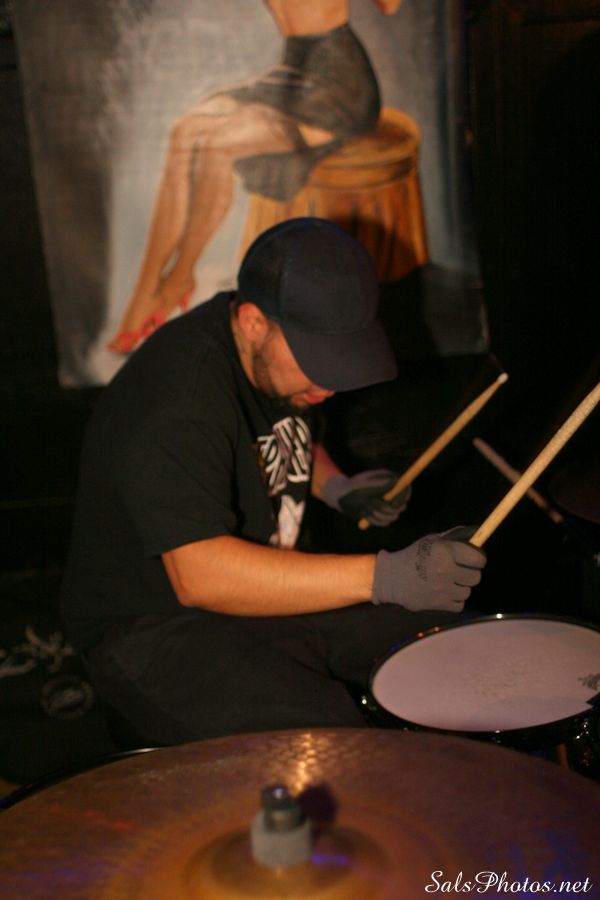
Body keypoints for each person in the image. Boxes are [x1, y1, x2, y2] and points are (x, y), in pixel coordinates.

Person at [64, 218, 485, 746]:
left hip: (264, 588)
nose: (329, 385)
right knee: (340, 750)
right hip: (153, 624)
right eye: (317, 361)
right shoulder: (177, 401)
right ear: (253, 322)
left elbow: (284, 436)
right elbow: (200, 575)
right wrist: (385, 577)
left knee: (467, 651)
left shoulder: (276, 365)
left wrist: (337, 487)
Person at [107, 0, 403, 353]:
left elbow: (390, 6)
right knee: (184, 133)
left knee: (216, 145)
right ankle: (149, 287)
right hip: (292, 70)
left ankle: (177, 278)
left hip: (338, 82)